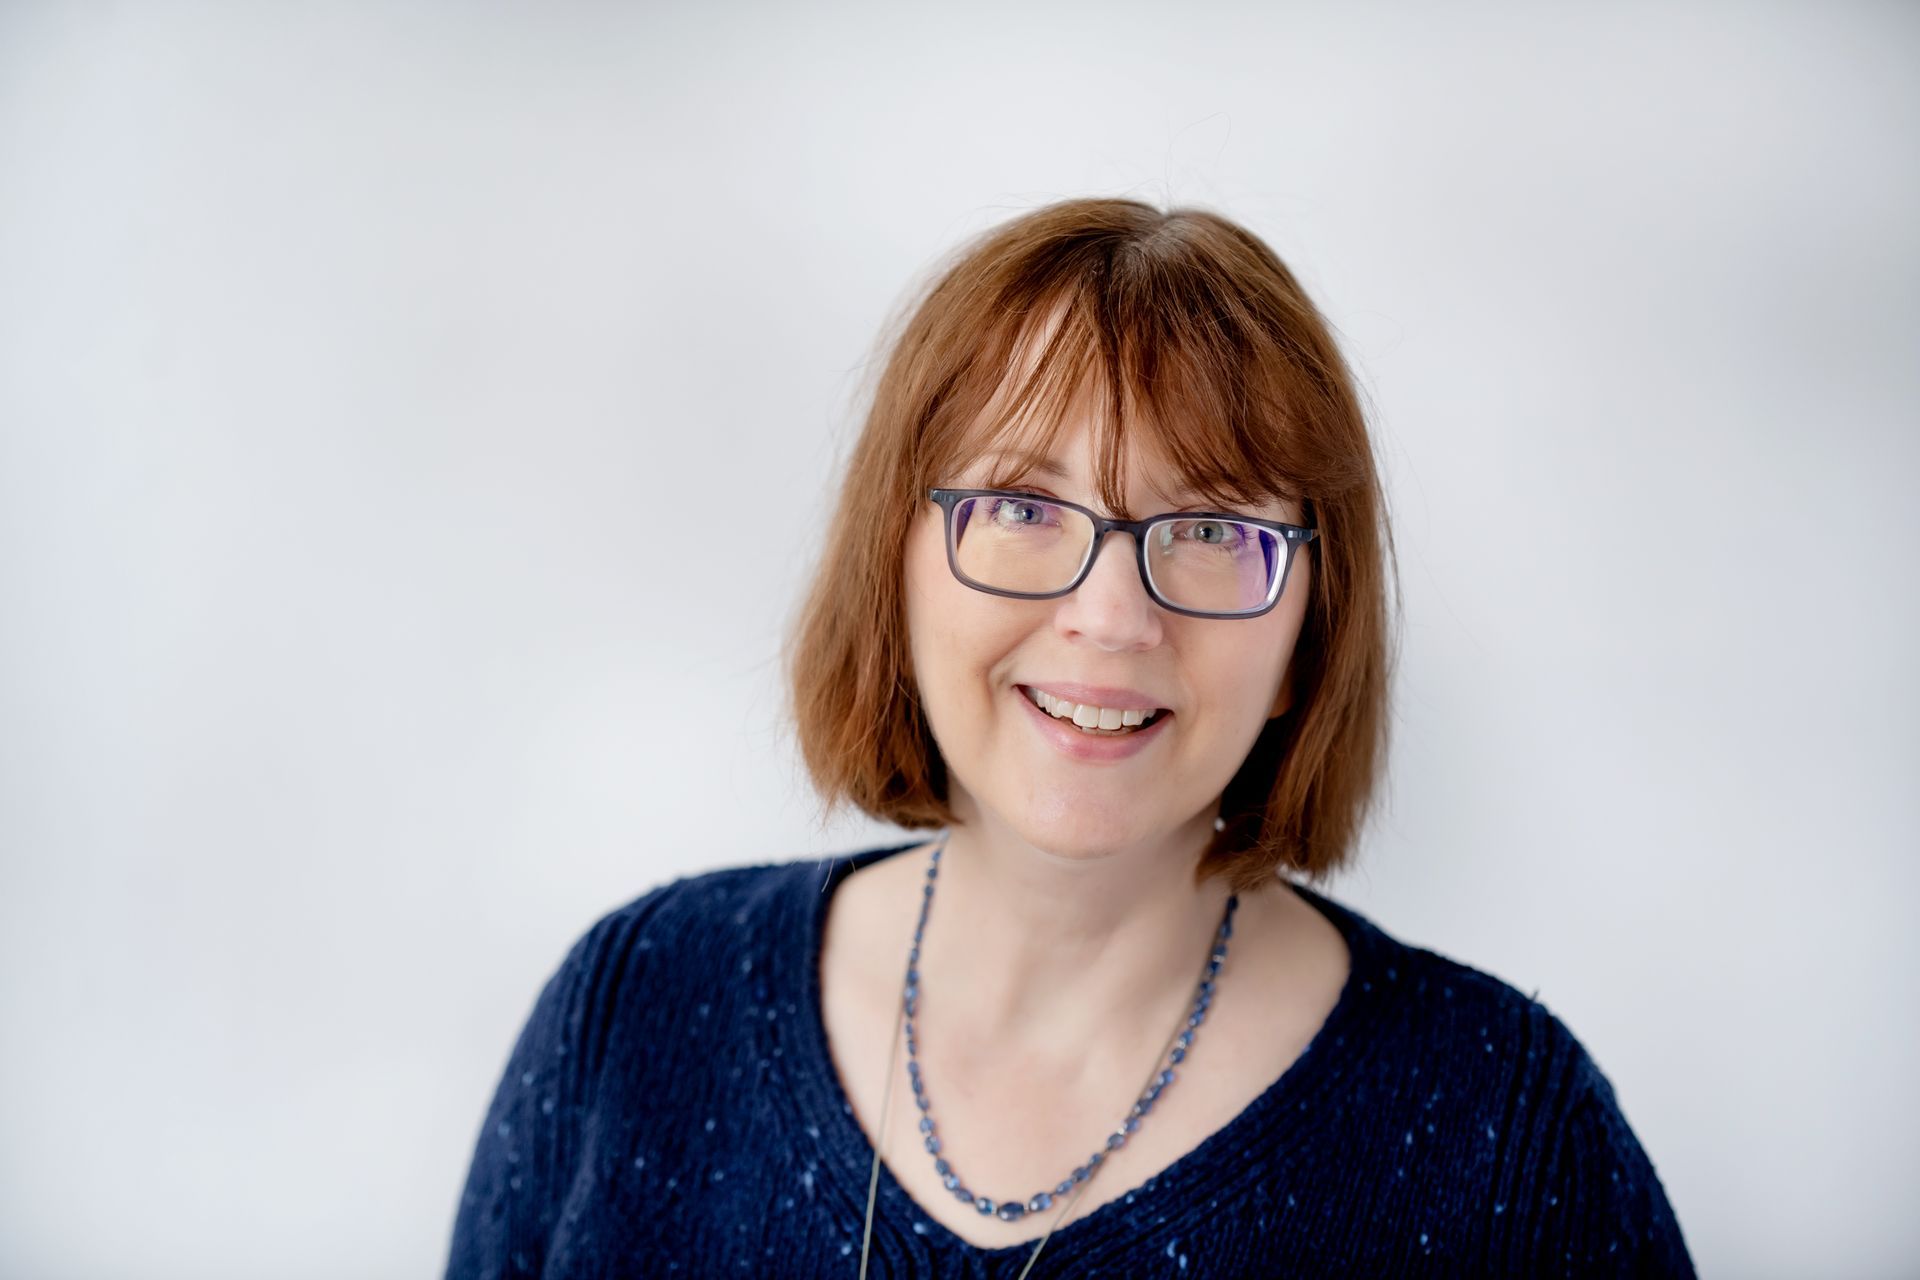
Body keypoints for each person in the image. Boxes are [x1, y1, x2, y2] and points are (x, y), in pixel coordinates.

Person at [443, 198, 1696, 1277]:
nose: (1111, 618)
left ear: (1309, 636)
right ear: (900, 564)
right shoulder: (642, 1007)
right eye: (1022, 504)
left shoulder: (1507, 1138)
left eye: (1208, 528)